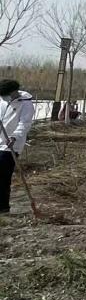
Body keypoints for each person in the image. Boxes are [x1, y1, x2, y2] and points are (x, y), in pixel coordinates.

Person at [0, 79, 36, 215]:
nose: (4, 98)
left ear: (14, 92)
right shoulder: (2, 101)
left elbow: (24, 124)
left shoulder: (26, 104)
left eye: (5, 95)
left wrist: (14, 137)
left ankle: (3, 207)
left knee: (3, 175)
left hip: (11, 145)